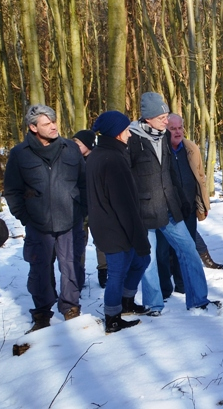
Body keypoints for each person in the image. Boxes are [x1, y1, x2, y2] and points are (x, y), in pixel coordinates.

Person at [128, 92, 216, 314]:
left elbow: (170, 173)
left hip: (170, 209)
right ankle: (153, 304)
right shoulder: (132, 139)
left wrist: (182, 199)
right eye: (161, 117)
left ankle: (199, 300)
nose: (166, 122)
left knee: (189, 250)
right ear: (147, 117)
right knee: (149, 260)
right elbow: (125, 177)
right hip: (143, 211)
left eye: (167, 116)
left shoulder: (164, 138)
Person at [4, 104, 87, 333]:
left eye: (53, 121)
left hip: (70, 220)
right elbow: (12, 190)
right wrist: (25, 216)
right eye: (47, 123)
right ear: (33, 128)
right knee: (39, 269)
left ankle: (71, 308)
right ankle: (41, 313)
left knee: (70, 265)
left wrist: (82, 208)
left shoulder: (70, 148)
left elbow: (84, 182)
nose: (53, 126)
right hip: (38, 223)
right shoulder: (20, 154)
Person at [87, 111, 151, 333]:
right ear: (116, 133)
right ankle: (112, 317)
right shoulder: (112, 159)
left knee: (139, 262)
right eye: (126, 131)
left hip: (110, 224)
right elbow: (124, 204)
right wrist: (139, 237)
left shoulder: (101, 154)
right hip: (114, 227)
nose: (130, 135)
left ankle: (126, 303)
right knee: (118, 271)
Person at [167, 114, 223, 270]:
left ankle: (184, 279)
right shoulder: (161, 151)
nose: (178, 132)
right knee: (170, 246)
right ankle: (174, 279)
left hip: (190, 207)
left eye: (180, 128)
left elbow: (200, 178)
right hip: (169, 209)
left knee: (190, 242)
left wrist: (202, 204)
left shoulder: (191, 148)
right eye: (173, 129)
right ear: (165, 129)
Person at [72, 129, 108, 289]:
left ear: (88, 144)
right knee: (79, 243)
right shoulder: (72, 161)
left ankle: (104, 273)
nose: (75, 146)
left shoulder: (99, 160)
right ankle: (78, 276)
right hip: (78, 210)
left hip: (97, 208)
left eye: (78, 143)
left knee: (102, 242)